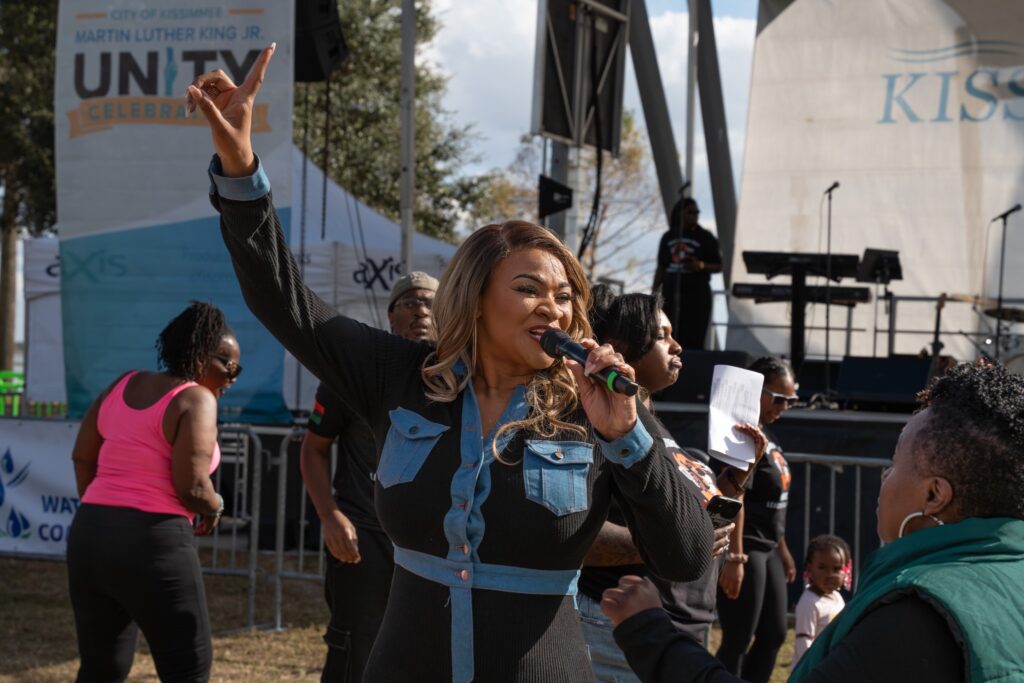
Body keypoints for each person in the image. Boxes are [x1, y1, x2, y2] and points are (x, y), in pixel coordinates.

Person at [187, 45, 713, 683]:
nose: (554, 307)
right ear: (474, 299)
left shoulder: (600, 405)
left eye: (565, 295)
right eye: (529, 289)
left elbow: (686, 558)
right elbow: (286, 303)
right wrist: (240, 168)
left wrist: (628, 438)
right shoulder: (401, 376)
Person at [601, 361, 1024, 683]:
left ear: (934, 495)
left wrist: (650, 632)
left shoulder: (915, 617)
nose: (885, 477)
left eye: (895, 462)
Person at [577, 286, 764, 683]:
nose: (678, 346)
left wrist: (736, 476)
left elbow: (699, 519)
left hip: (677, 631)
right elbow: (572, 532)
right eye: (662, 336)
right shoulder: (600, 430)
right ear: (620, 348)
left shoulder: (655, 430)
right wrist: (675, 543)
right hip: (619, 636)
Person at [67, 301, 239, 682]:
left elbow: (82, 456)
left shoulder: (122, 383)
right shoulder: (197, 398)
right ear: (201, 357)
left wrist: (106, 514)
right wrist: (216, 505)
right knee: (188, 670)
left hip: (89, 535)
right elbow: (192, 487)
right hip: (154, 542)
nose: (233, 377)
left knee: (101, 669)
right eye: (229, 366)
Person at [301, 271, 439, 682]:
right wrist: (330, 516)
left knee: (424, 654)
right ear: (391, 316)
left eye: (431, 303)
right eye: (411, 302)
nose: (422, 311)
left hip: (432, 545)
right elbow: (313, 449)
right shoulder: (356, 372)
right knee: (356, 651)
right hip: (363, 540)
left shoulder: (460, 376)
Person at [714, 356, 797, 683]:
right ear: (755, 391)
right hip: (745, 546)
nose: (784, 407)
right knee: (737, 637)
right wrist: (735, 558)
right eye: (778, 398)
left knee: (774, 633)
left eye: (791, 400)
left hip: (767, 547)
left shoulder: (765, 434)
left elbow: (772, 501)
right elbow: (736, 497)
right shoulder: (739, 434)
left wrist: (782, 548)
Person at [652, 197, 722, 350]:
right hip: (671, 292)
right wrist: (654, 294)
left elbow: (719, 265)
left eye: (697, 212)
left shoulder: (705, 237)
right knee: (670, 332)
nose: (695, 215)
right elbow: (661, 267)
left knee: (694, 336)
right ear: (680, 213)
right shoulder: (669, 237)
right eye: (691, 212)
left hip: (697, 295)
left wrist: (701, 265)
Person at [791, 534, 850, 668]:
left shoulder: (837, 598)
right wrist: (814, 670)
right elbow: (803, 644)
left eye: (836, 569)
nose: (830, 575)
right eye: (822, 568)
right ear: (809, 569)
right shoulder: (809, 603)